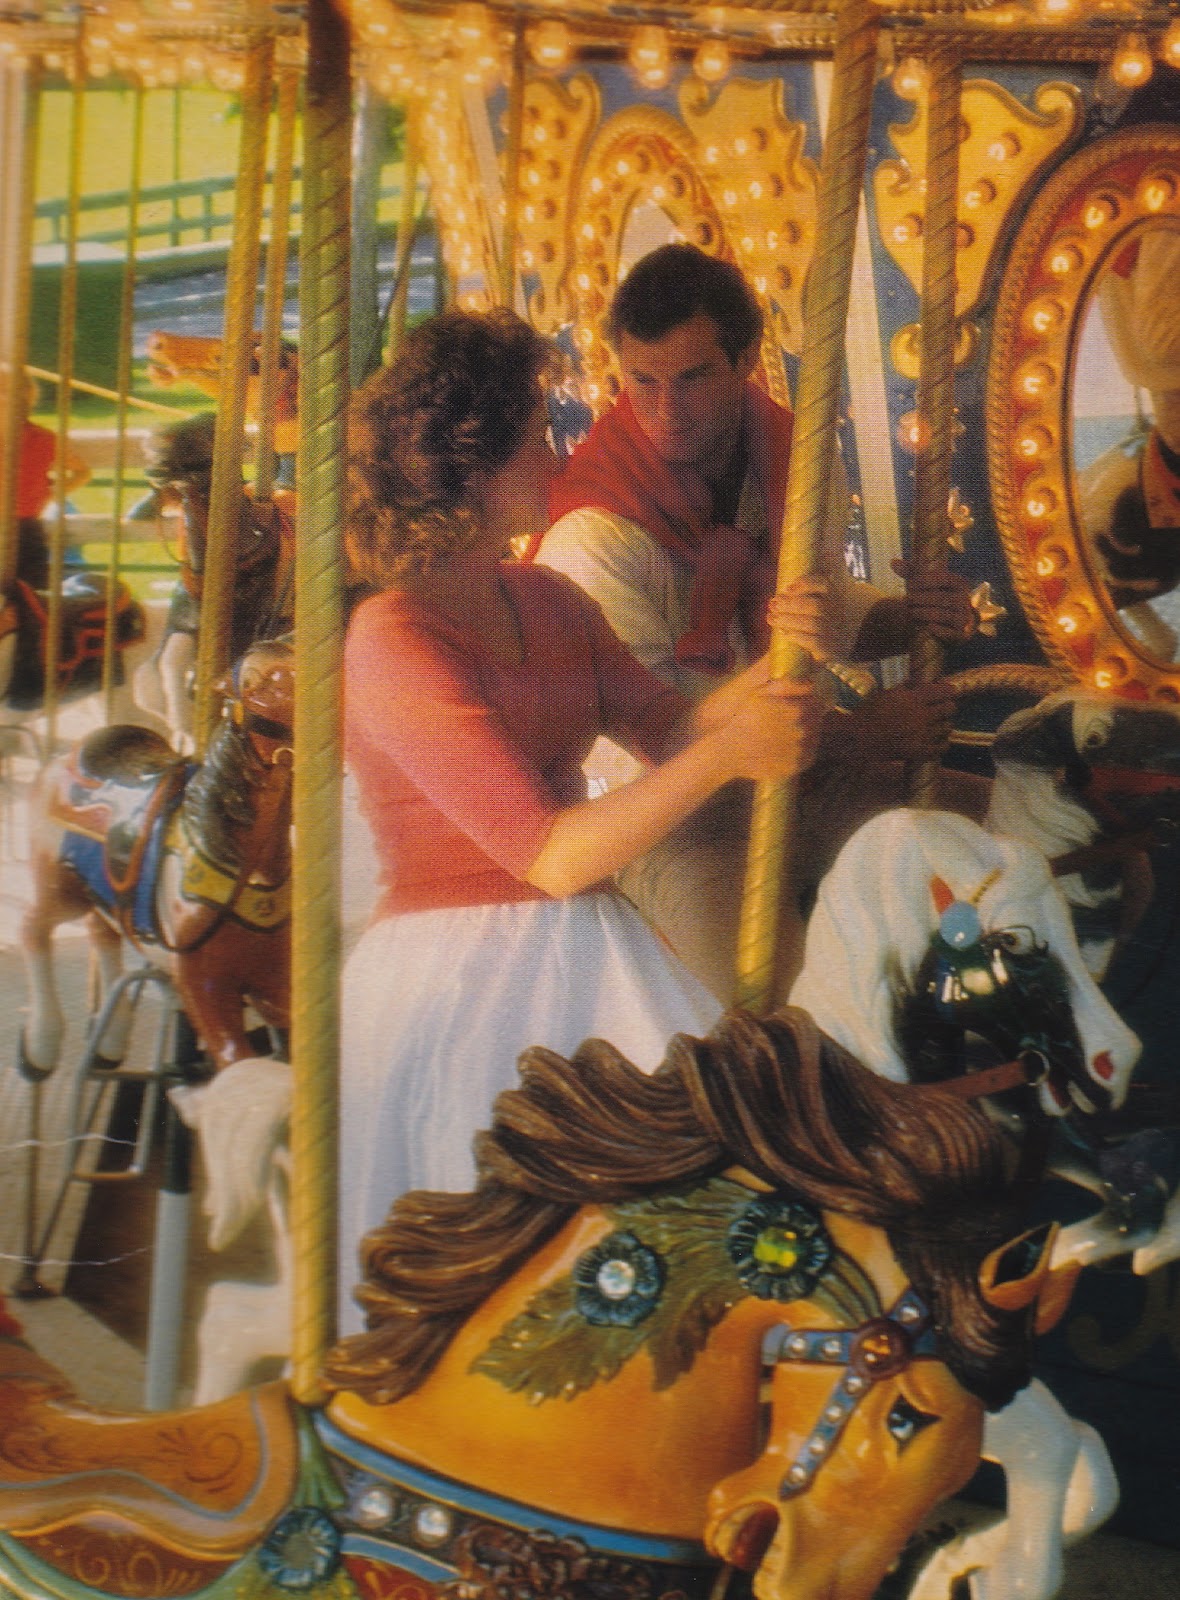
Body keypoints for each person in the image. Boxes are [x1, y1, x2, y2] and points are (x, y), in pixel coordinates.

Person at [339, 307, 822, 1323]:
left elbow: (670, 729)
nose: (556, 455)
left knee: (705, 1178)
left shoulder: (547, 600)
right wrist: (729, 753)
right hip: (461, 969)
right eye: (531, 436)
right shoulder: (394, 639)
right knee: (513, 1263)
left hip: (581, 940)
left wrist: (788, 650)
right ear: (471, 468)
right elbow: (549, 855)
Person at [533, 243, 981, 1003]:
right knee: (771, 1006)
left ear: (745, 361)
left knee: (1026, 854)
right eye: (643, 382)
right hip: (673, 816)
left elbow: (816, 612)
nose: (666, 411)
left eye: (692, 378)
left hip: (806, 774)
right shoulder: (594, 533)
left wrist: (911, 619)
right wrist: (860, 734)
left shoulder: (793, 459)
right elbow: (657, 735)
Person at [13, 376, 91, 589]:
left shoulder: (43, 439)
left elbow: (82, 472)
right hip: (22, 529)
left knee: (29, 594)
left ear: (26, 399)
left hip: (24, 530)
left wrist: (48, 495)